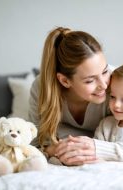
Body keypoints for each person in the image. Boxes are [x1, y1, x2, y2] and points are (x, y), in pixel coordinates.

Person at [29, 26, 112, 165]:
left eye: (105, 71)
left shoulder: (119, 85)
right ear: (65, 81)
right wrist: (56, 149)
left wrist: (97, 148)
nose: (103, 85)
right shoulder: (42, 87)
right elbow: (34, 141)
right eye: (90, 80)